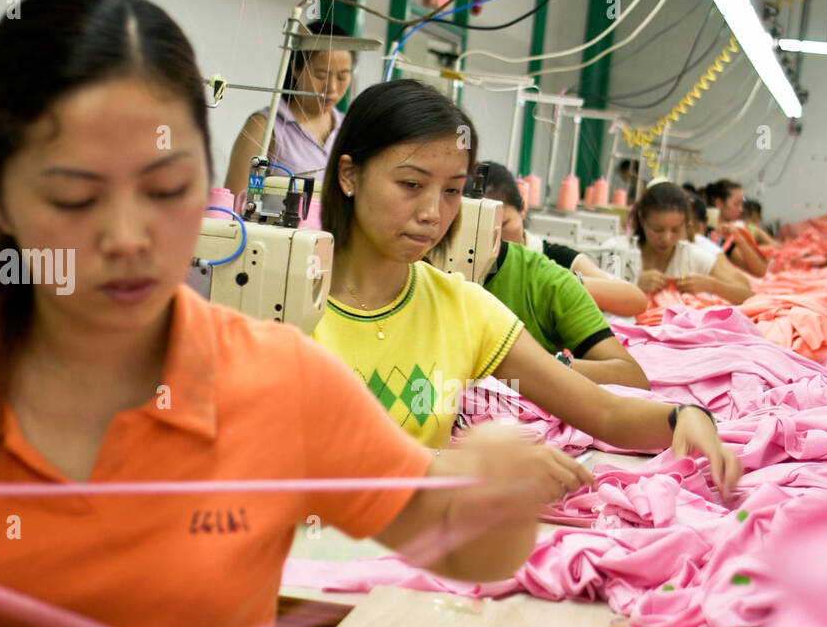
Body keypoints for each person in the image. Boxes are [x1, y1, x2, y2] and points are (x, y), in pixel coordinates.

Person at [0, 0, 590, 627]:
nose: (130, 236)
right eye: (75, 195)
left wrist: (494, 492)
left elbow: (460, 543)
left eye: (166, 188)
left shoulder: (277, 380)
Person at [311, 79, 743, 495]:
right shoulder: (285, 307)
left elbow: (603, 411)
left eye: (452, 191)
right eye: (411, 184)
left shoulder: (461, 307)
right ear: (349, 176)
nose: (431, 212)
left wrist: (683, 417)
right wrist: (467, 465)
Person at [481, 161, 650, 320]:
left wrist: (561, 283)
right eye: (482, 231)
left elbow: (635, 300)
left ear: (523, 208)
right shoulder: (465, 263)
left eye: (503, 225)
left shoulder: (552, 258)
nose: (495, 239)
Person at [224, 20, 354, 196]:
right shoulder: (265, 127)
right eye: (320, 75)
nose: (331, 88)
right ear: (295, 68)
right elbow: (236, 201)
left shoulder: (350, 129)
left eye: (342, 77)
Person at [624, 182, 752, 304]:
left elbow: (749, 295)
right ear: (641, 218)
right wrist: (631, 281)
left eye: (675, 230)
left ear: (686, 224)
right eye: (658, 230)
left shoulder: (691, 256)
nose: (666, 238)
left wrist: (711, 285)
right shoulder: (619, 251)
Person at [703, 179, 771, 275]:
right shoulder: (709, 231)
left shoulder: (744, 228)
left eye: (742, 204)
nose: (741, 209)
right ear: (719, 203)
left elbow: (762, 267)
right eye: (736, 204)